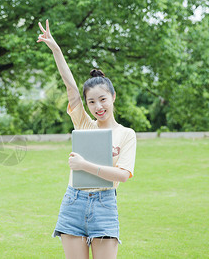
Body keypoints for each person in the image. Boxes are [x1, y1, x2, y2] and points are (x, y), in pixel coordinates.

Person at [37, 20, 136, 259]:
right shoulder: (83, 124)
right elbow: (70, 87)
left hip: (104, 205)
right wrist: (56, 50)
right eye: (91, 102)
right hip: (74, 202)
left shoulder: (126, 134)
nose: (98, 106)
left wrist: (84, 166)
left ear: (113, 97)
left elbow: (122, 175)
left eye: (102, 99)